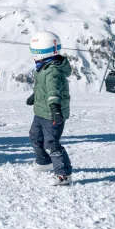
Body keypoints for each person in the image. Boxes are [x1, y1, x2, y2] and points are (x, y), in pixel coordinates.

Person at [26, 31, 73, 186]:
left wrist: (55, 107)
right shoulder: (43, 66)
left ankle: (63, 174)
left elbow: (53, 90)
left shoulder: (52, 70)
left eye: (35, 52)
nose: (33, 56)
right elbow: (43, 86)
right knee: (35, 136)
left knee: (51, 143)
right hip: (40, 111)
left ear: (43, 52)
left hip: (52, 113)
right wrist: (35, 95)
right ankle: (43, 162)